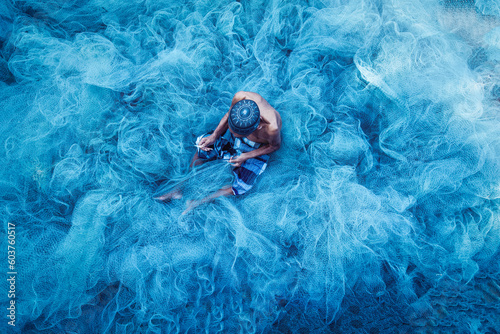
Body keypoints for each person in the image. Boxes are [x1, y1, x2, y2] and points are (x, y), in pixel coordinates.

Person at [155, 91, 282, 213]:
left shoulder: (272, 128)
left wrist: (246, 156)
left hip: (253, 149)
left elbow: (274, 146)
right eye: (233, 130)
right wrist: (214, 136)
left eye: (240, 134)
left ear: (257, 126)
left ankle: (197, 202)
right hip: (233, 137)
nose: (235, 135)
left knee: (243, 185)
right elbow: (228, 115)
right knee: (202, 145)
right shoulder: (241, 97)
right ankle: (178, 189)